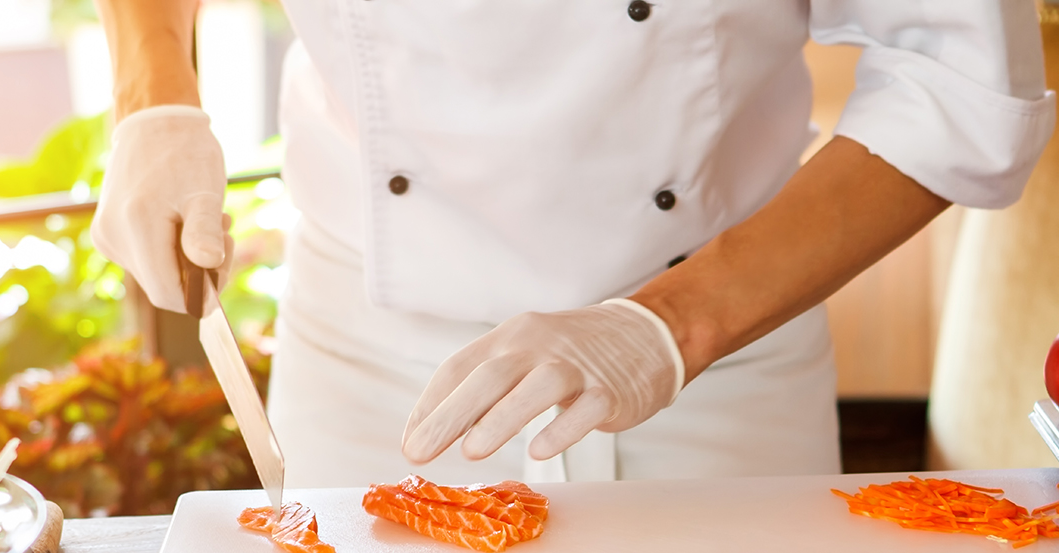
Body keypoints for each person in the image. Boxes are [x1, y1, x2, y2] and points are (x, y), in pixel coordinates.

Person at [91, 0, 1055, 489]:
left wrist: (671, 325)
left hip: (718, 361)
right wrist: (151, 93)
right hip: (368, 357)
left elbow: (960, 86)